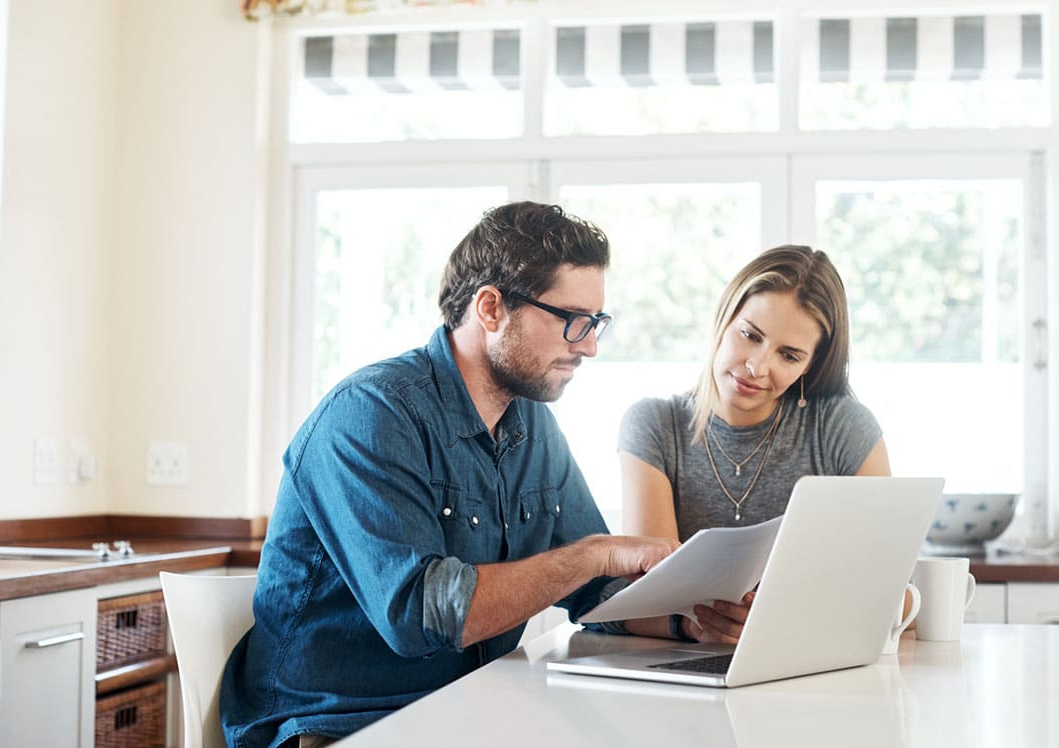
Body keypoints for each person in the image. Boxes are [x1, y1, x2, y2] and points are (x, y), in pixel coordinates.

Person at [220, 201, 698, 747]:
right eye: (571, 321)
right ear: (490, 308)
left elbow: (596, 589)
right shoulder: (370, 414)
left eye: (596, 323)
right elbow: (421, 614)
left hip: (469, 710)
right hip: (341, 723)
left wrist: (688, 623)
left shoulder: (532, 424)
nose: (588, 345)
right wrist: (595, 552)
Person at [618, 245, 891, 642]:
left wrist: (780, 620)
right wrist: (698, 627)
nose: (757, 367)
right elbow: (652, 595)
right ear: (724, 317)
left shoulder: (842, 428)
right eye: (750, 335)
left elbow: (890, 590)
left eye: (789, 355)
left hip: (807, 663)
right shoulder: (655, 426)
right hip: (686, 671)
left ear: (811, 366)